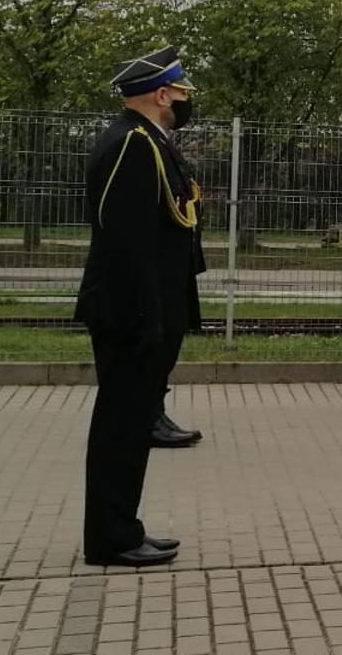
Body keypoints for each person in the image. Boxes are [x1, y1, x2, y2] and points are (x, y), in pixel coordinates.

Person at [74, 45, 204, 566]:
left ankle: (123, 527)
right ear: (159, 93)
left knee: (130, 427)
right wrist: (148, 316)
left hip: (143, 311)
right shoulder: (132, 145)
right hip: (131, 314)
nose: (183, 100)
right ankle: (112, 539)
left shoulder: (148, 141)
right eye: (179, 92)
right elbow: (125, 243)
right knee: (120, 429)